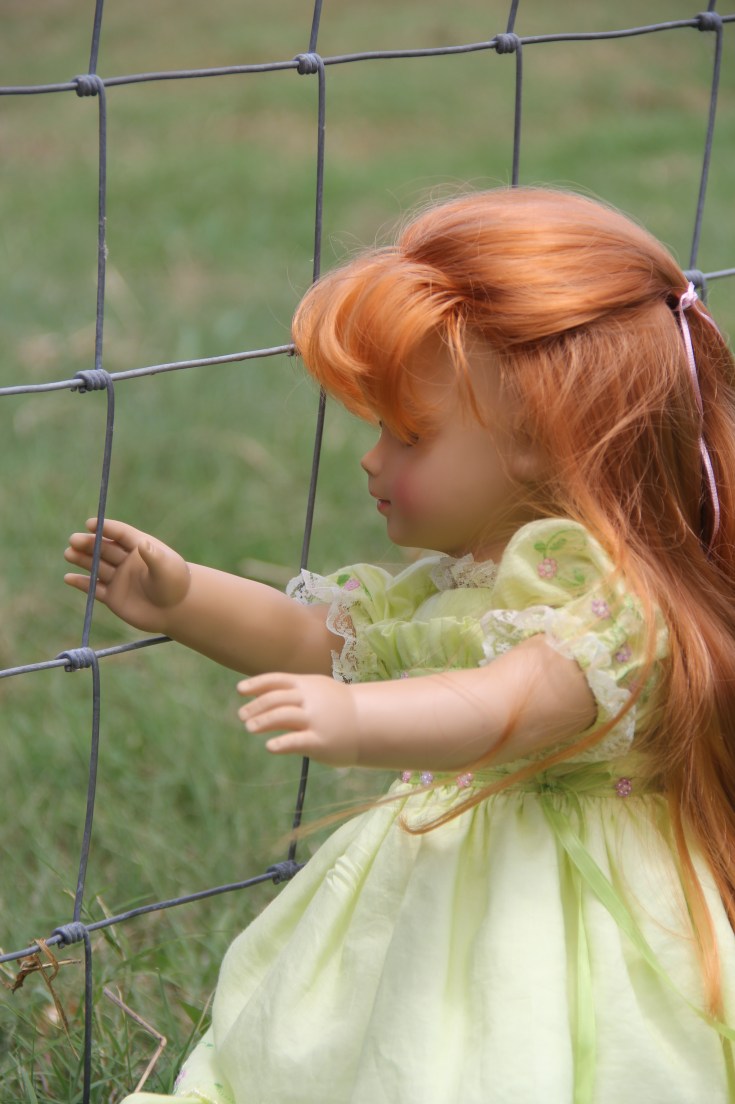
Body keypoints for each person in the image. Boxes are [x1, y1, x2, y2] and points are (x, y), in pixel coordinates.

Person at [64, 188, 735, 1103]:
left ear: (544, 439)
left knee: (523, 1042)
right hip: (439, 883)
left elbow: (511, 703)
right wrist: (184, 598)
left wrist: (358, 717)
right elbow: (316, 635)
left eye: (410, 435)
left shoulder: (605, 608)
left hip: (566, 906)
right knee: (388, 1035)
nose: (373, 461)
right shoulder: (457, 586)